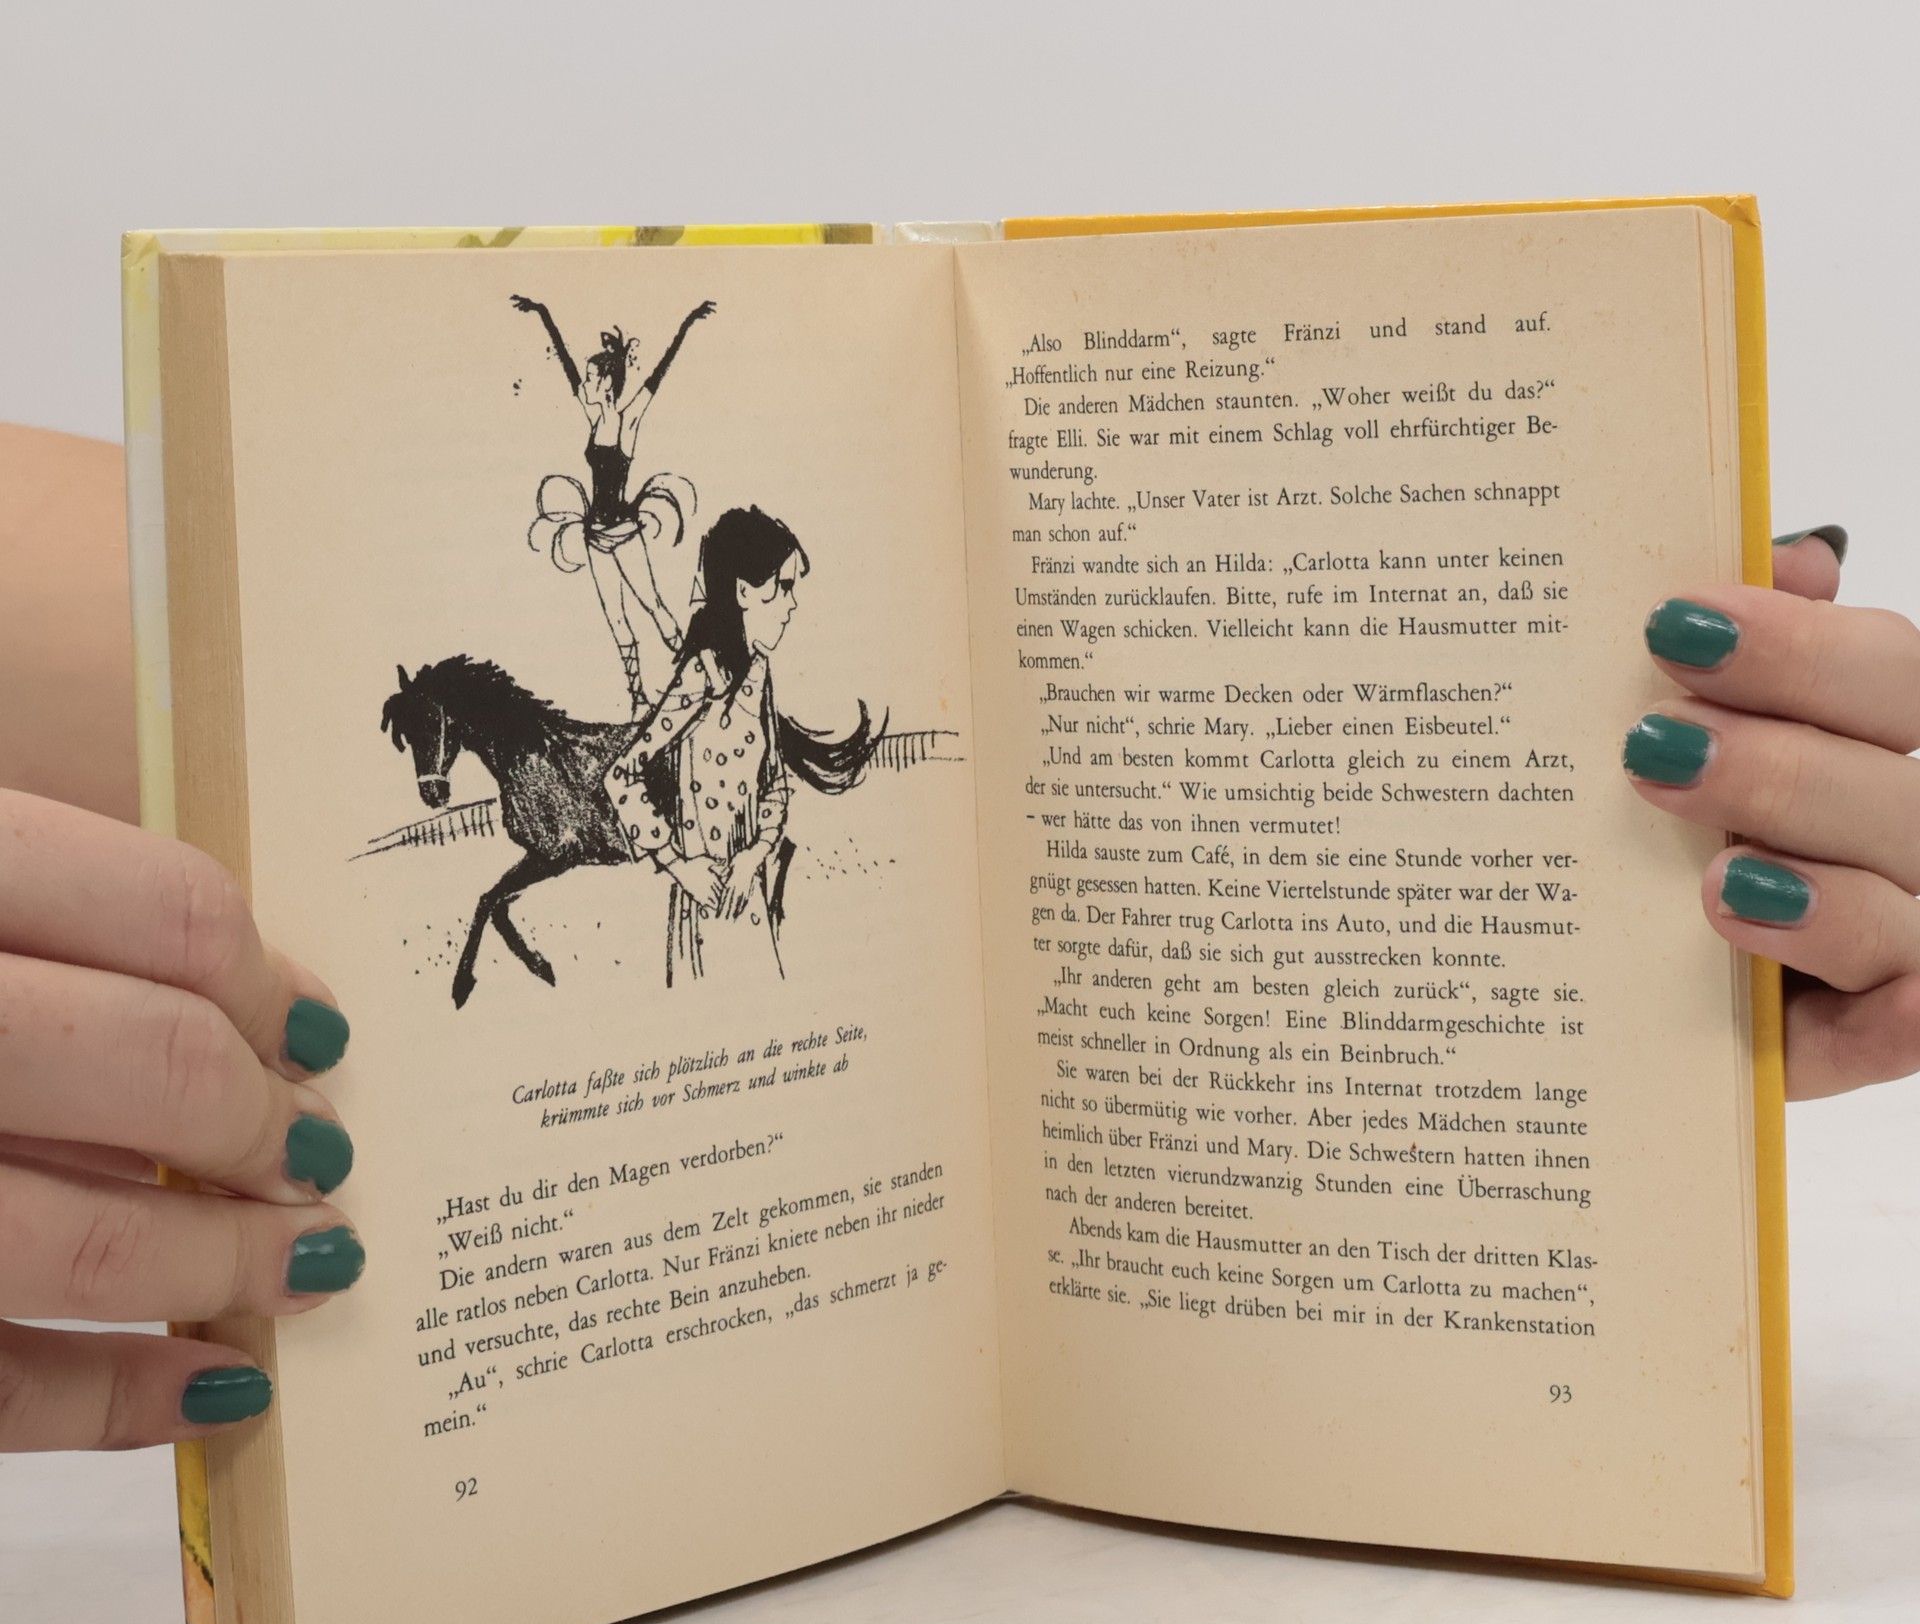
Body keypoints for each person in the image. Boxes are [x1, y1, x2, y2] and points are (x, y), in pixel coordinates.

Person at [0, 429, 1913, 1452]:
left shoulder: (734, 662)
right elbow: (638, 710)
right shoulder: (696, 651)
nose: (781, 604)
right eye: (776, 583)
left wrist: (1420, 802)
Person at [605, 505, 882, 985]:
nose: (792, 605)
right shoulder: (701, 674)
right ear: (743, 591)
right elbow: (621, 776)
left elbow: (774, 784)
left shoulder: (759, 673)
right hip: (704, 905)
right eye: (784, 586)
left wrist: (754, 855)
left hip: (748, 894)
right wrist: (678, 866)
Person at [511, 294, 714, 710]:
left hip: (624, 532)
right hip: (595, 536)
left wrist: (688, 322)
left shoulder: (628, 421)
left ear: (606, 382)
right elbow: (567, 366)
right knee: (616, 619)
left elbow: (659, 373)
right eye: (587, 378)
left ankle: (704, 678)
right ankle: (638, 698)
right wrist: (543, 314)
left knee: (653, 605)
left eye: (592, 378)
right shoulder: (592, 418)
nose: (585, 384)